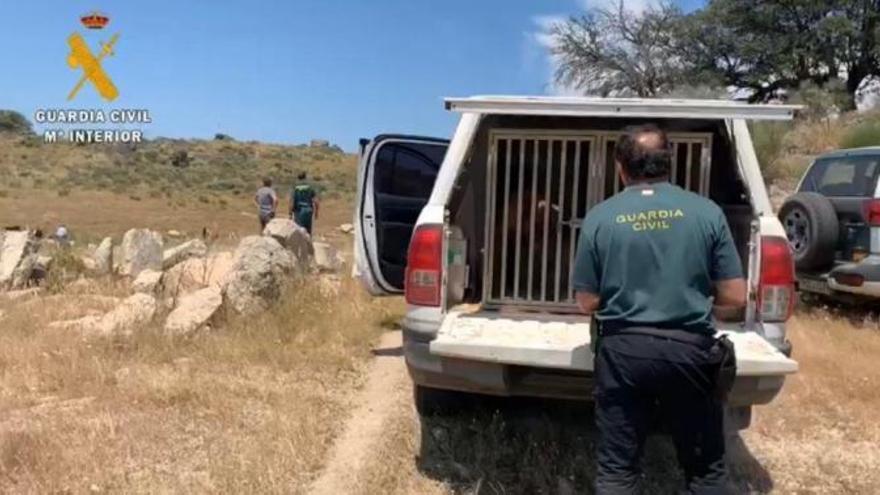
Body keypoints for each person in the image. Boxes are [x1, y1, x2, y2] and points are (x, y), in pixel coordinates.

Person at [572, 124, 746, 494]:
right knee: (706, 472)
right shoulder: (706, 212)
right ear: (670, 162)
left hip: (622, 354)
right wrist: (690, 297)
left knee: (618, 471)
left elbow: (586, 301)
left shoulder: (601, 217)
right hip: (691, 352)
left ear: (620, 166)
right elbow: (735, 294)